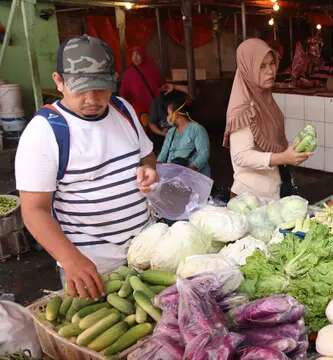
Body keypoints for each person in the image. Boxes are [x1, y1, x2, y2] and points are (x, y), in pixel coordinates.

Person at [15, 35, 158, 299]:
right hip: (92, 267)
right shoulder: (44, 132)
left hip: (147, 254)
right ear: (59, 81)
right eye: (80, 89)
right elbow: (34, 210)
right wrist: (71, 260)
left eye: (101, 88)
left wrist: (148, 168)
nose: (92, 98)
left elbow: (147, 155)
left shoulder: (123, 109)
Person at [224, 38, 312, 201]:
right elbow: (241, 156)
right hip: (250, 198)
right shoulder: (243, 107)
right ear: (248, 69)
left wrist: (291, 149)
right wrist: (282, 158)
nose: (270, 71)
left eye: (272, 63)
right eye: (262, 66)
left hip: (272, 191)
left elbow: (270, 142)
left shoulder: (265, 100)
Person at [157, 92, 211, 177]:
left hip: (193, 176)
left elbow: (204, 154)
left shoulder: (197, 129)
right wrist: (157, 168)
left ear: (177, 114)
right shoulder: (171, 132)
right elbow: (163, 153)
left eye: (169, 113)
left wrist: (190, 171)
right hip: (172, 174)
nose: (168, 117)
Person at [119, 46, 164, 129]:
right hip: (138, 110)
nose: (135, 58)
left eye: (138, 54)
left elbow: (161, 85)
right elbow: (124, 93)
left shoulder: (152, 68)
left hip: (154, 107)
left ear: (143, 55)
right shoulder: (128, 73)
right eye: (133, 55)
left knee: (156, 130)